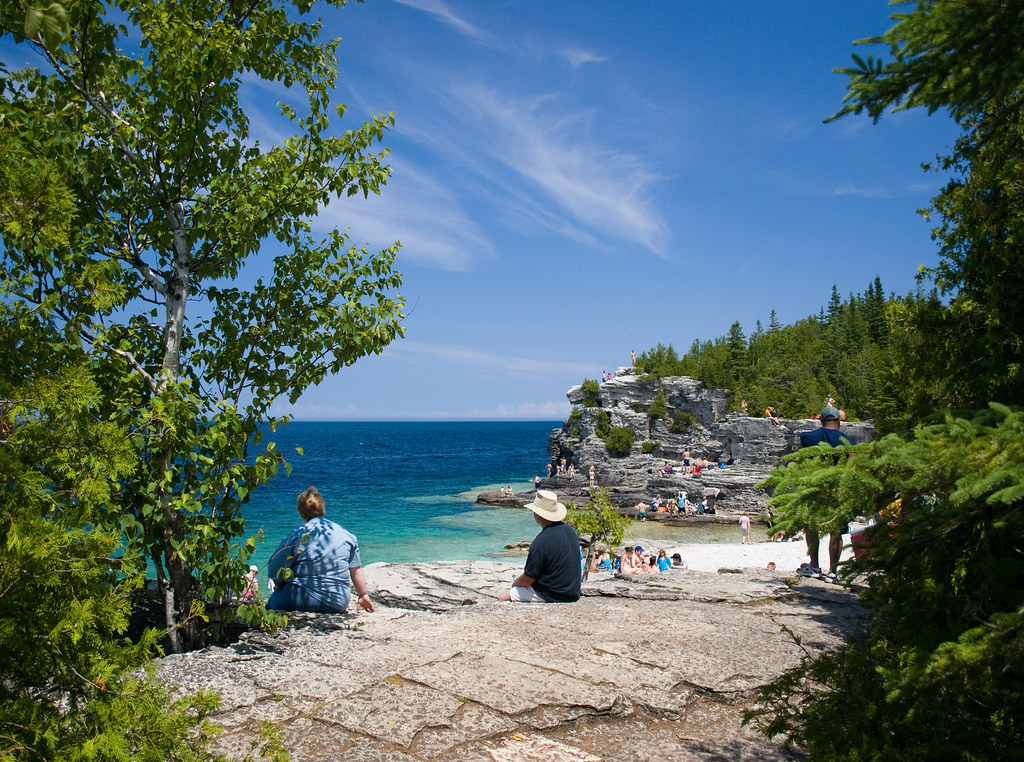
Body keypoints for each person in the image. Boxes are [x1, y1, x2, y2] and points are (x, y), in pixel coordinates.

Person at [267, 486, 375, 614]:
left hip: (301, 599)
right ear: (322, 508)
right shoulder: (347, 535)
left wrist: (280, 584)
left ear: (300, 511)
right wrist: (363, 595)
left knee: (270, 605)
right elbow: (355, 570)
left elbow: (274, 569)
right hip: (338, 602)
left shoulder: (296, 536)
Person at [796, 405, 853, 580]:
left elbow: (800, 462)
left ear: (820, 421)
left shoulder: (807, 437)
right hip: (837, 489)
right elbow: (851, 468)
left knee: (812, 526)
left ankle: (814, 565)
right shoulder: (846, 442)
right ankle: (833, 571)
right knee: (836, 529)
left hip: (814, 487)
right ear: (838, 422)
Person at [498, 490, 581, 603]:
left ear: (537, 514)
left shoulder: (540, 543)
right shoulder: (570, 531)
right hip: (572, 592)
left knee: (503, 597)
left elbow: (528, 579)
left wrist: (515, 583)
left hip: (551, 594)